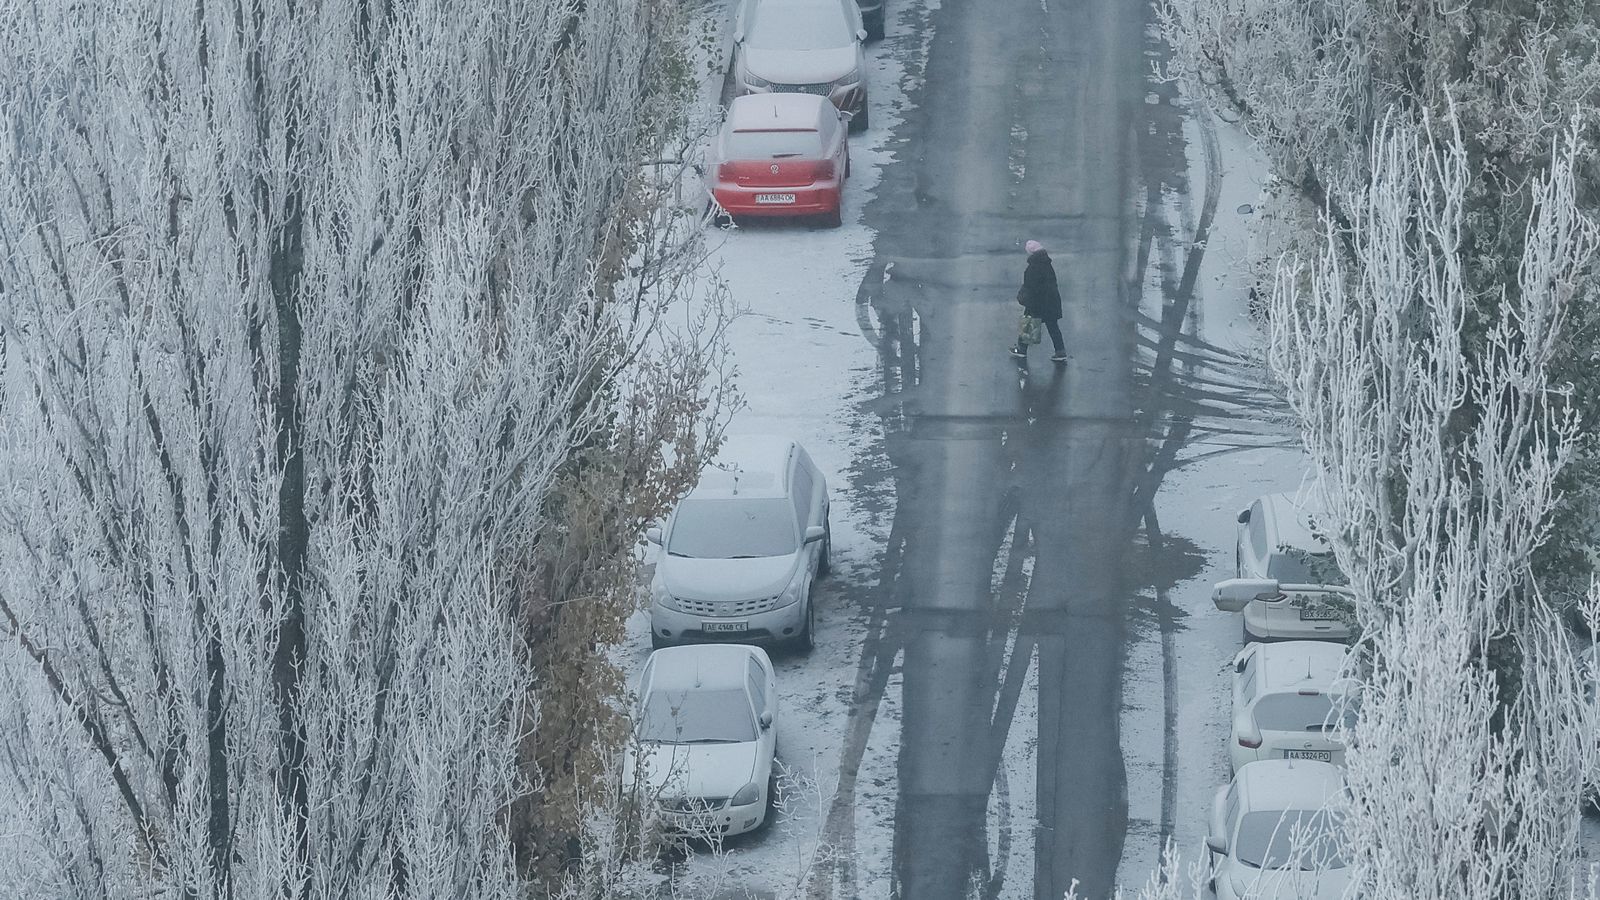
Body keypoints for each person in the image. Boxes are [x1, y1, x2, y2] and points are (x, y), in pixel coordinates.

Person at [1011, 239, 1066, 362]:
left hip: (1038, 302)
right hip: (1051, 301)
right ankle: (1060, 351)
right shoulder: (1047, 263)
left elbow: (1030, 286)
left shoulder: (1033, 267)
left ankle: (1021, 349)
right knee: (1053, 326)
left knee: (1028, 323)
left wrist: (1025, 298)